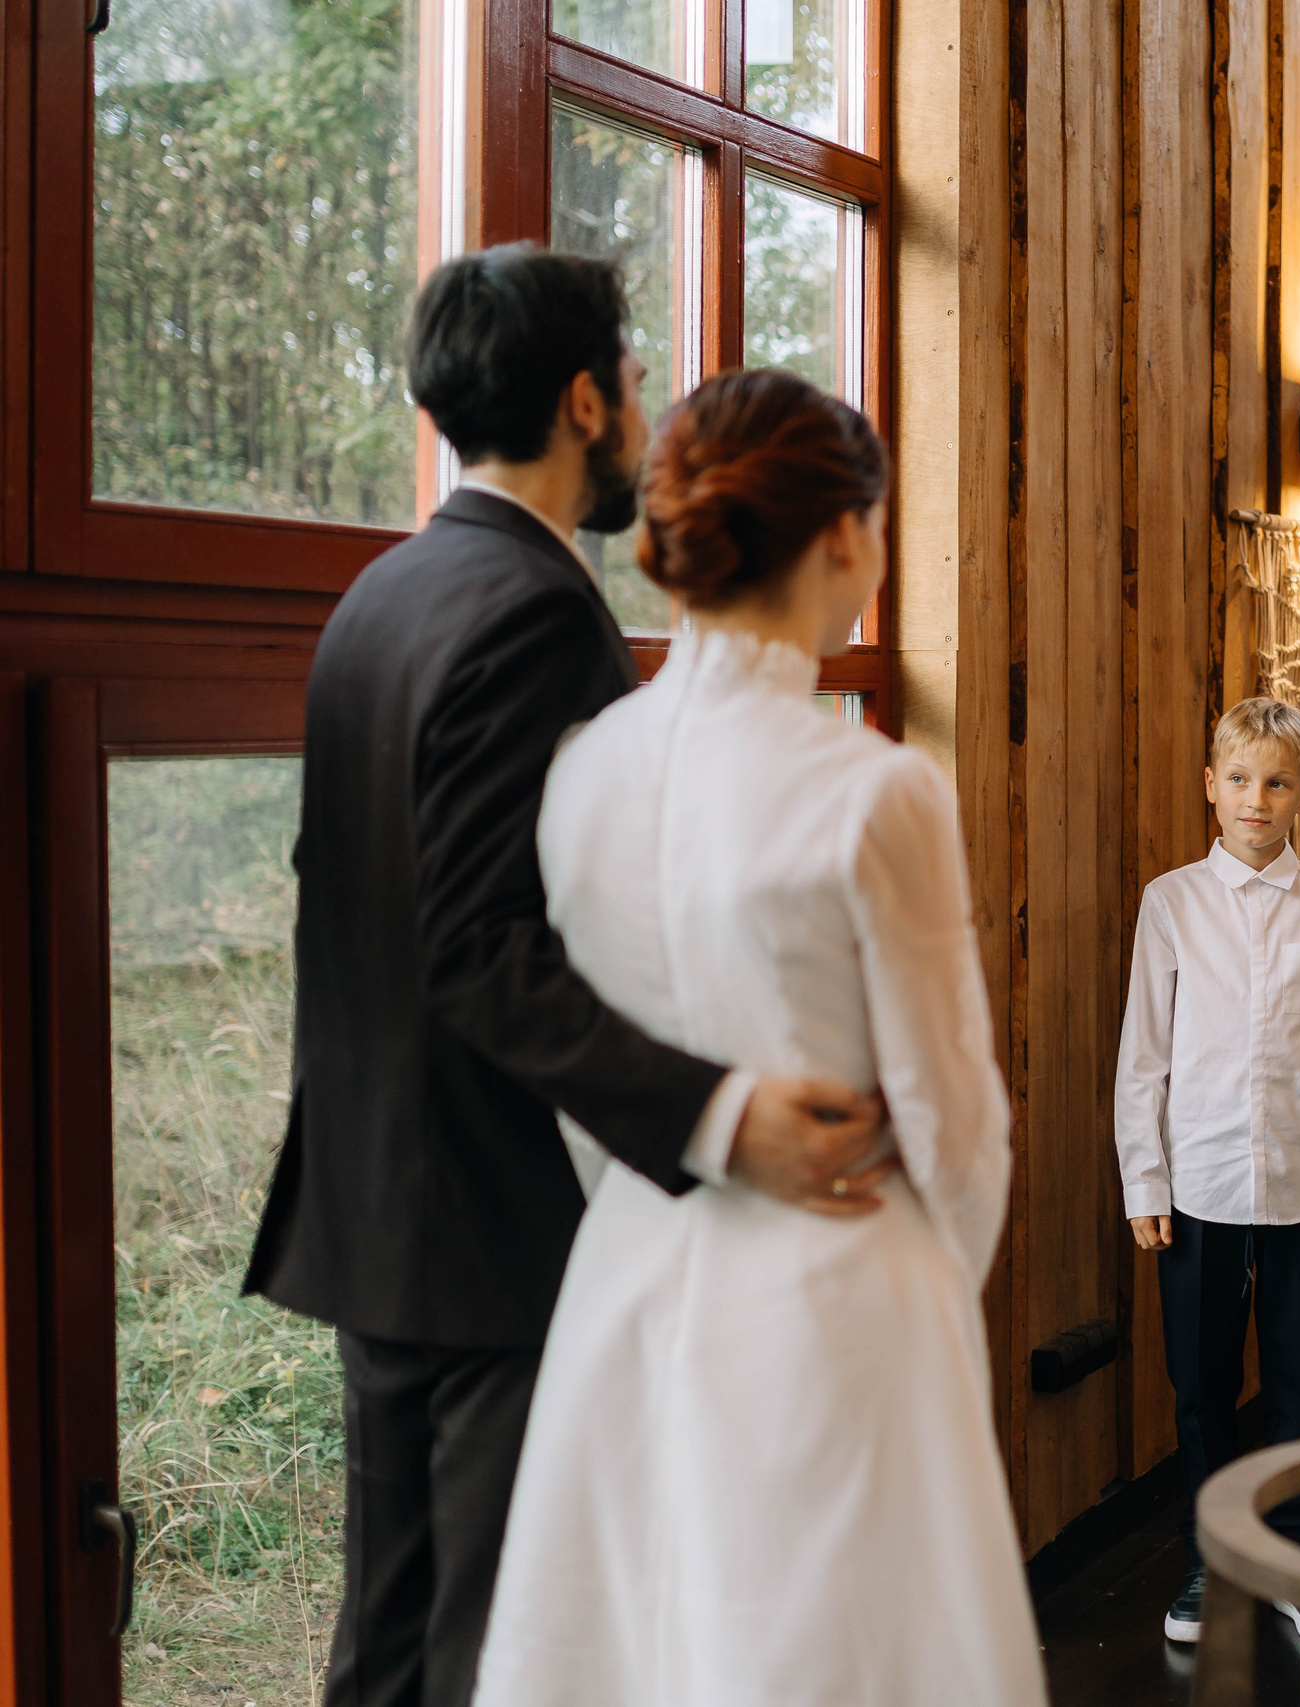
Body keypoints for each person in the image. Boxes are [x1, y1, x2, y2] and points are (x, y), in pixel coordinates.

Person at [245, 247, 887, 1707]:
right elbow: (482, 947)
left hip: (372, 1203)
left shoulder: (380, 595)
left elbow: (352, 905)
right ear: (585, 399)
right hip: (489, 1216)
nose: (642, 410)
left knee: (385, 1644)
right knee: (491, 1654)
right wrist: (718, 1109)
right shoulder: (534, 609)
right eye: (635, 383)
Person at [471, 369, 1042, 1704]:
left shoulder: (581, 768)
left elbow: (584, 1079)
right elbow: (953, 1116)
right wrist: (933, 1279)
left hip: (628, 1261)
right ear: (845, 534)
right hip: (838, 1284)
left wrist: (657, 1181)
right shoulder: (877, 786)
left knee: (641, 1646)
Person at [1114, 697, 1300, 1646]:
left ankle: (1291, 1551)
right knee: (1199, 1385)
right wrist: (1143, 1181)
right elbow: (1143, 1056)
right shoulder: (1172, 903)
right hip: (1197, 1186)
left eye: (1278, 782)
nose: (1256, 799)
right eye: (1239, 779)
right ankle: (1208, 1559)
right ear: (1211, 785)